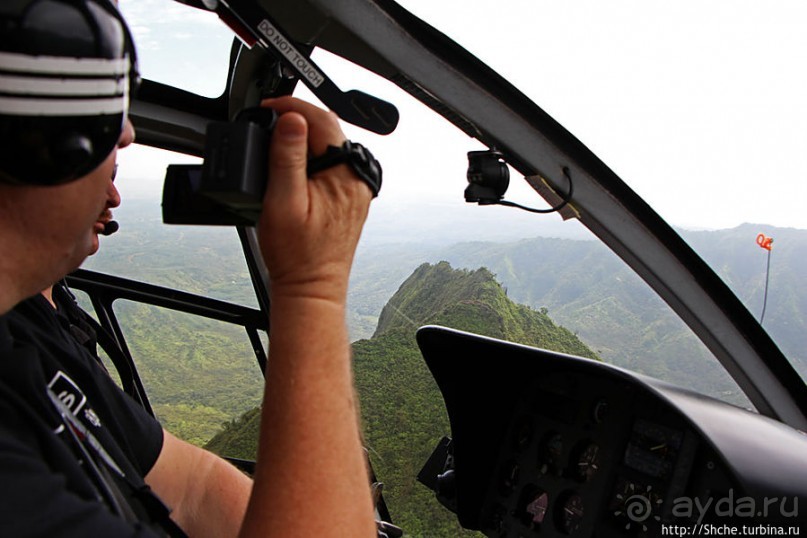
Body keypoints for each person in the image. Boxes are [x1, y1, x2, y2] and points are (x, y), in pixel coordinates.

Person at [0, 1, 377, 536]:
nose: (127, 134)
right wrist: (312, 287)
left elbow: (194, 486)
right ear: (35, 143)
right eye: (106, 112)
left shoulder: (24, 329)